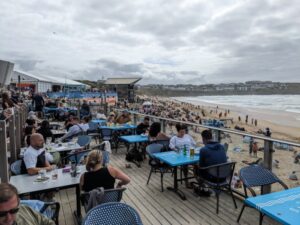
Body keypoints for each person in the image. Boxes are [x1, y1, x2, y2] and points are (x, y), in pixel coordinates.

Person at [195, 130, 227, 196]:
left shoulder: (204, 150)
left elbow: (201, 167)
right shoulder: (221, 147)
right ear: (211, 137)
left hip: (213, 178)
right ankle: (207, 189)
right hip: (224, 177)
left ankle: (204, 190)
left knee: (196, 169)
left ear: (203, 139)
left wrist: (196, 165)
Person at [169, 124, 196, 188]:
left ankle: (197, 178)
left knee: (197, 163)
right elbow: (171, 146)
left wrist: (193, 149)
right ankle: (186, 180)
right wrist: (175, 149)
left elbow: (194, 144)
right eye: (181, 132)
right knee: (185, 164)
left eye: (184, 132)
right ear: (178, 131)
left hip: (190, 153)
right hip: (181, 155)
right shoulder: (174, 138)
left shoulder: (188, 136)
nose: (183, 133)